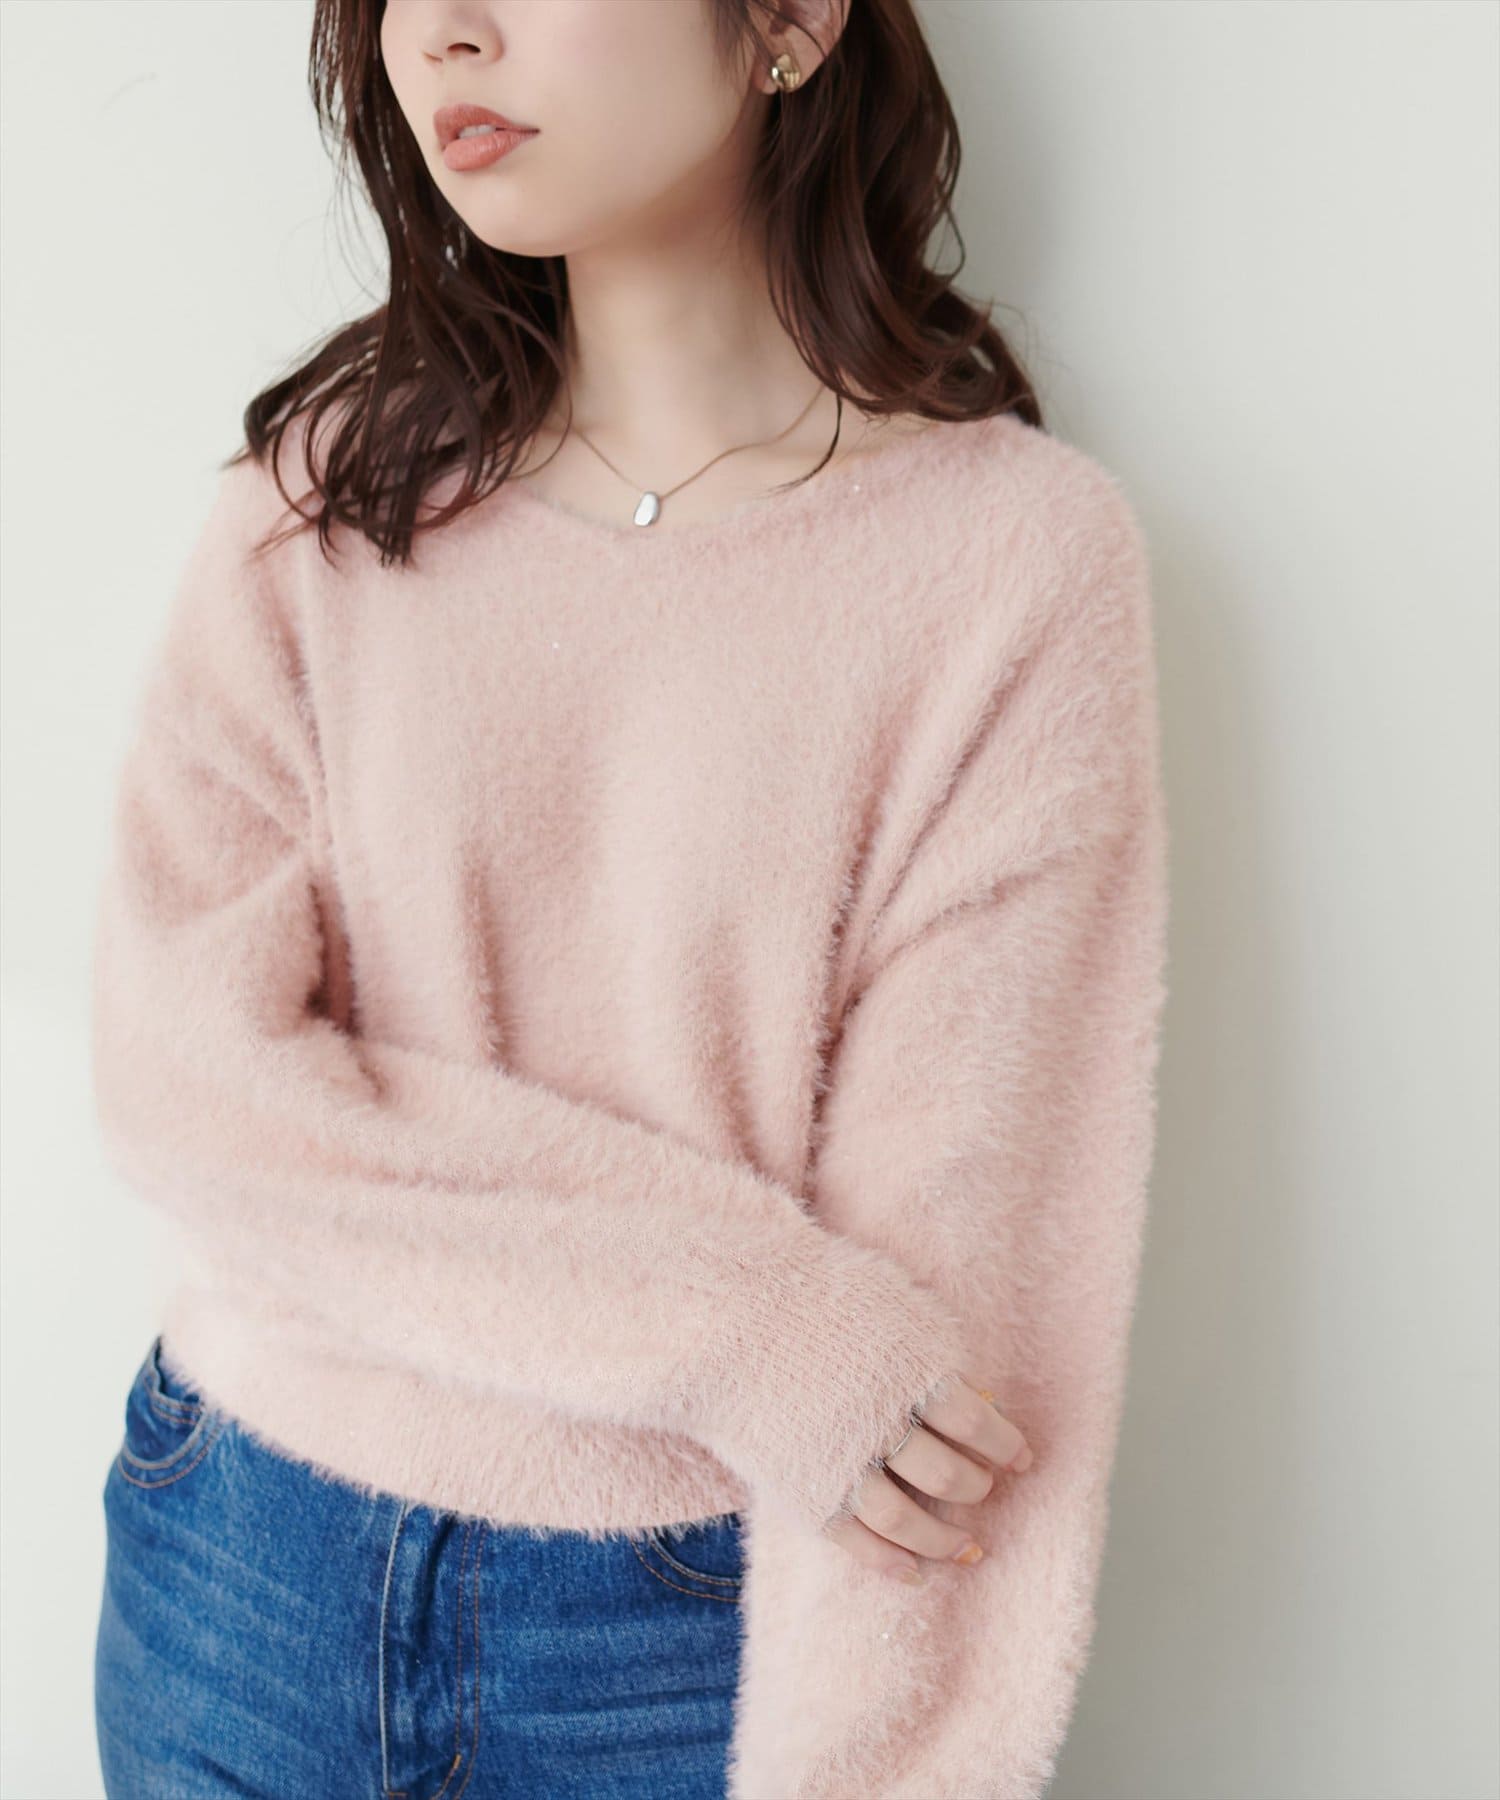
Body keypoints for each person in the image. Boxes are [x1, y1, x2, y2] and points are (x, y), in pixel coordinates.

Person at [90, 0, 1170, 1795]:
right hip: (244, 1558)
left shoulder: (1007, 567)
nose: (443, 35)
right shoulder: (328, 500)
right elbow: (191, 1085)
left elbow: (958, 1358)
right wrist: (755, 1328)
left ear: (789, 21)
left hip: (685, 1644)